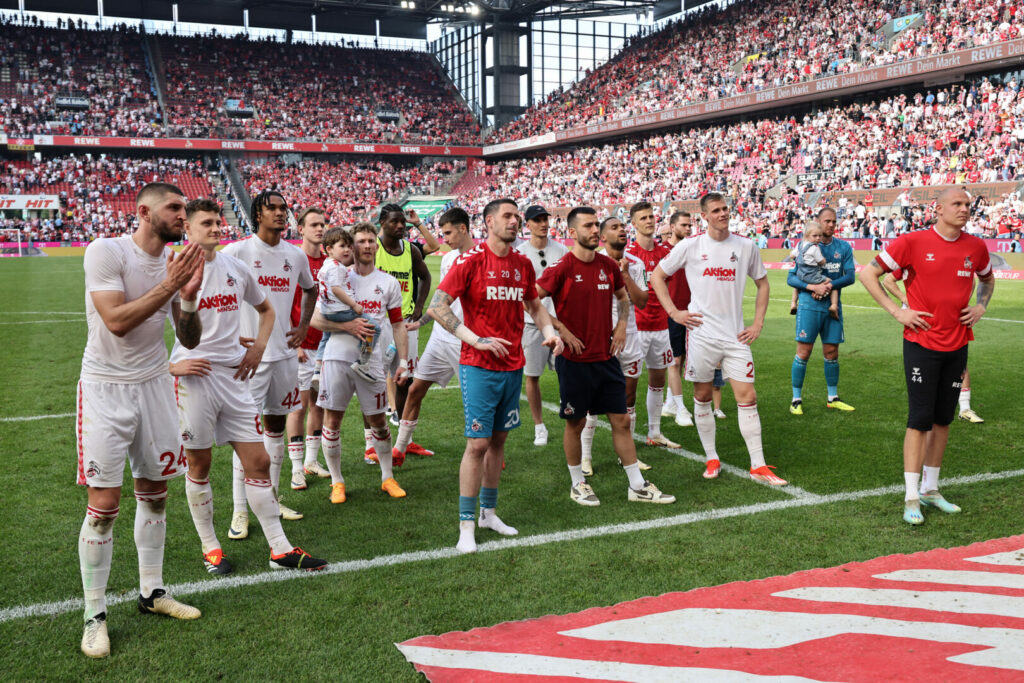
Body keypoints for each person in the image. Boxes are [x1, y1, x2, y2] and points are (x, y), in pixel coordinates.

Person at [77, 182, 205, 659]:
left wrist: (187, 299)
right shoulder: (106, 251)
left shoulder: (177, 267)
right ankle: (94, 615)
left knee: (155, 495)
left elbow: (189, 340)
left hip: (154, 385)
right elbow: (117, 320)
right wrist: (172, 285)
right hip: (105, 389)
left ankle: (152, 593)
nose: (182, 214)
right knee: (105, 504)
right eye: (174, 207)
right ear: (144, 211)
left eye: (184, 208)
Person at [169, 199, 327, 578]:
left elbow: (268, 310)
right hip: (196, 378)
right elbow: (173, 335)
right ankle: (211, 548)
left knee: (258, 461)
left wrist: (257, 346)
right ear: (187, 229)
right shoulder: (172, 270)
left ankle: (280, 549)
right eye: (205, 222)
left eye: (217, 220)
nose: (216, 227)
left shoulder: (235, 267)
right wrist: (170, 363)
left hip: (236, 377)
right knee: (200, 463)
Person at [427, 198, 563, 554]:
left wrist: (550, 331)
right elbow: (437, 307)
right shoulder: (470, 261)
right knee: (477, 445)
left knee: (498, 444)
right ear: (488, 222)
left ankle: (489, 513)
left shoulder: (521, 264)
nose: (515, 221)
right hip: (478, 365)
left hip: (512, 365)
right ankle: (466, 523)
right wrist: (477, 340)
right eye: (507, 216)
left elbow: (534, 305)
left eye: (517, 216)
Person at [858, 188, 994, 525]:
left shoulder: (976, 247)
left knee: (944, 419)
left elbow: (987, 279)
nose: (964, 209)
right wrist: (897, 311)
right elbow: (867, 274)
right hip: (921, 342)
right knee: (919, 419)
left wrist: (981, 305)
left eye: (967, 204)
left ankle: (932, 490)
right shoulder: (912, 242)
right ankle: (911, 495)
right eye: (957, 204)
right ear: (939, 209)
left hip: (958, 342)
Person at [537, 207, 675, 506]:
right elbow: (532, 300)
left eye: (595, 224)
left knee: (622, 421)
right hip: (574, 362)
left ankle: (637, 486)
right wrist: (560, 329)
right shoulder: (562, 267)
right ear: (572, 233)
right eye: (587, 225)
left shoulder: (607, 265)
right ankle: (578, 483)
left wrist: (622, 324)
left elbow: (624, 298)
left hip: (606, 358)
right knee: (575, 423)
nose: (594, 230)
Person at [651, 192, 787, 486]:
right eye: (716, 210)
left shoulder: (745, 245)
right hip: (701, 336)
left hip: (736, 336)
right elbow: (657, 277)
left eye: (726, 208)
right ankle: (712, 457)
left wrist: (758, 323)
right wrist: (674, 312)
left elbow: (762, 283)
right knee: (701, 396)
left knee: (748, 397)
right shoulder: (691, 245)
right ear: (705, 216)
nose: (723, 214)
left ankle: (758, 465)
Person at [222, 191, 317, 539]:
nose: (280, 213)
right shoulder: (237, 252)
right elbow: (214, 290)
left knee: (275, 429)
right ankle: (240, 511)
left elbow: (311, 289)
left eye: (283, 208)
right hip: (248, 360)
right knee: (246, 435)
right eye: (272, 208)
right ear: (256, 214)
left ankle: (273, 501)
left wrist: (304, 326)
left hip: (284, 357)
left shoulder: (296, 255)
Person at [313, 222, 410, 502]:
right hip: (337, 358)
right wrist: (349, 327)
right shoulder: (338, 276)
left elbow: (398, 325)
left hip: (372, 362)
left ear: (376, 245)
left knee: (379, 421)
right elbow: (315, 320)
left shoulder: (388, 283)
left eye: (371, 240)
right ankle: (337, 481)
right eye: (361, 241)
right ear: (350, 246)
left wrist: (403, 361)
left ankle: (387, 477)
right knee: (332, 421)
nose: (367, 245)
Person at [394, 207, 474, 460]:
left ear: (463, 229)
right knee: (416, 389)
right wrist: (424, 321)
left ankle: (487, 450)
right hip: (441, 337)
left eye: (448, 233)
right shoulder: (450, 259)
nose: (445, 240)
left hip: (465, 339)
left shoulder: (480, 259)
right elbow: (442, 299)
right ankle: (401, 447)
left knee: (474, 399)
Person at [579, 215, 651, 476]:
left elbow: (642, 301)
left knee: (628, 400)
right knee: (592, 402)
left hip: (631, 336)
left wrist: (624, 275)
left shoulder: (636, 263)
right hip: (600, 339)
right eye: (614, 227)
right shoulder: (592, 261)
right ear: (602, 236)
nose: (621, 230)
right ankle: (586, 457)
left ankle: (626, 456)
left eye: (622, 226)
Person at [882, 268, 984, 424]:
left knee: (960, 365)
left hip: (950, 321)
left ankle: (964, 408)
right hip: (924, 325)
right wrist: (906, 299)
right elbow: (887, 280)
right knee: (930, 368)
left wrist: (963, 302)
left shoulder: (952, 259)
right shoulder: (913, 257)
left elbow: (972, 280)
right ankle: (928, 410)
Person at [788, 208, 857, 415]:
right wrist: (813, 288)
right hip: (809, 305)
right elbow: (791, 278)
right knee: (804, 352)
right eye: (827, 221)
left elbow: (851, 276)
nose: (830, 225)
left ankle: (832, 398)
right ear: (817, 221)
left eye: (834, 222)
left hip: (832, 306)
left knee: (831, 352)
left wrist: (827, 286)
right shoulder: (806, 246)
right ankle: (796, 399)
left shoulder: (843, 247)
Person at [625, 202, 680, 449]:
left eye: (651, 217)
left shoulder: (665, 254)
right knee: (630, 388)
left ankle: (654, 433)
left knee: (658, 380)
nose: (649, 221)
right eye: (643, 218)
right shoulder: (627, 255)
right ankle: (627, 444)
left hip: (661, 326)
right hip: (636, 328)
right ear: (634, 224)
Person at [514, 204, 569, 447]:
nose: (543, 223)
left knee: (566, 372)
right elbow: (524, 297)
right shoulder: (520, 254)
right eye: (537, 220)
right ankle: (539, 426)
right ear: (527, 225)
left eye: (545, 219)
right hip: (531, 324)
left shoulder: (562, 250)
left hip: (560, 323)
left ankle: (570, 410)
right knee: (532, 375)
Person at [375, 204, 431, 440]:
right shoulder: (371, 247)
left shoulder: (411, 250)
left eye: (403, 222)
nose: (400, 226)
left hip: (405, 323)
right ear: (382, 223)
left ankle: (399, 428)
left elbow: (425, 277)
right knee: (374, 379)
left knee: (405, 379)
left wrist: (419, 307)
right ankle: (375, 437)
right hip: (377, 324)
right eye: (394, 222)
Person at [285, 208, 331, 490]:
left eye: (323, 224)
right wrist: (296, 343)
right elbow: (281, 305)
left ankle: (311, 460)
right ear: (300, 229)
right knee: (298, 407)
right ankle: (295, 468)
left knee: (320, 404)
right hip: (300, 347)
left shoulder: (329, 263)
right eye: (314, 224)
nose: (320, 229)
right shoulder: (291, 260)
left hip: (326, 347)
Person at [316, 227, 381, 382]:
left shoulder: (325, 265)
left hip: (327, 310)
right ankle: (363, 362)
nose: (346, 250)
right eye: (342, 246)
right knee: (374, 329)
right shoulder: (337, 267)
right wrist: (354, 305)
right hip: (341, 310)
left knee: (326, 335)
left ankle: (317, 368)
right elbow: (337, 290)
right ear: (329, 249)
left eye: (348, 246)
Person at [658, 211, 694, 427]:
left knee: (681, 360)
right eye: (684, 225)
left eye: (690, 225)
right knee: (675, 360)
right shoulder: (663, 251)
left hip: (691, 310)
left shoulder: (692, 248)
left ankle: (670, 402)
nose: (688, 229)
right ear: (672, 227)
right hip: (671, 311)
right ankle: (680, 408)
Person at [788, 223, 839, 319]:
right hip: (812, 275)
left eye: (820, 236)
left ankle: (793, 303)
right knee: (832, 283)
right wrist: (824, 260)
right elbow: (821, 262)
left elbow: (791, 255)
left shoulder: (799, 244)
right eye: (815, 236)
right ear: (807, 236)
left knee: (796, 287)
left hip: (800, 274)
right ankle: (834, 305)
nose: (818, 238)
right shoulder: (815, 248)